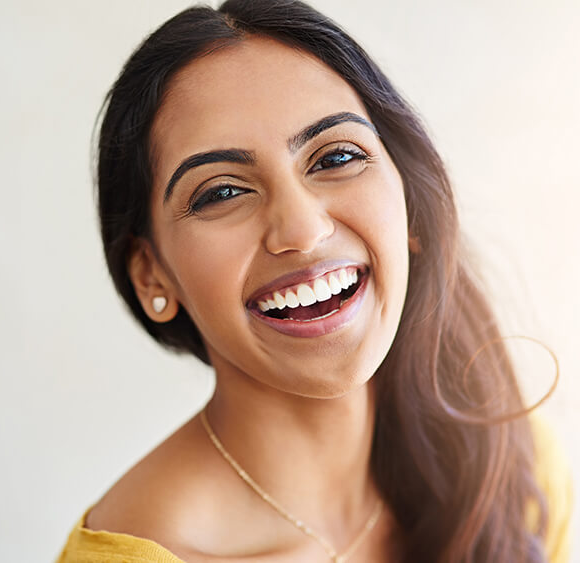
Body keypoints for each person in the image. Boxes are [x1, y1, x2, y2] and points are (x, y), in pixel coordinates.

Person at [57, 1, 571, 561]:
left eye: (336, 157)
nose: (301, 229)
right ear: (151, 273)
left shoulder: (510, 466)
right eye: (222, 192)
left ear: (411, 210)